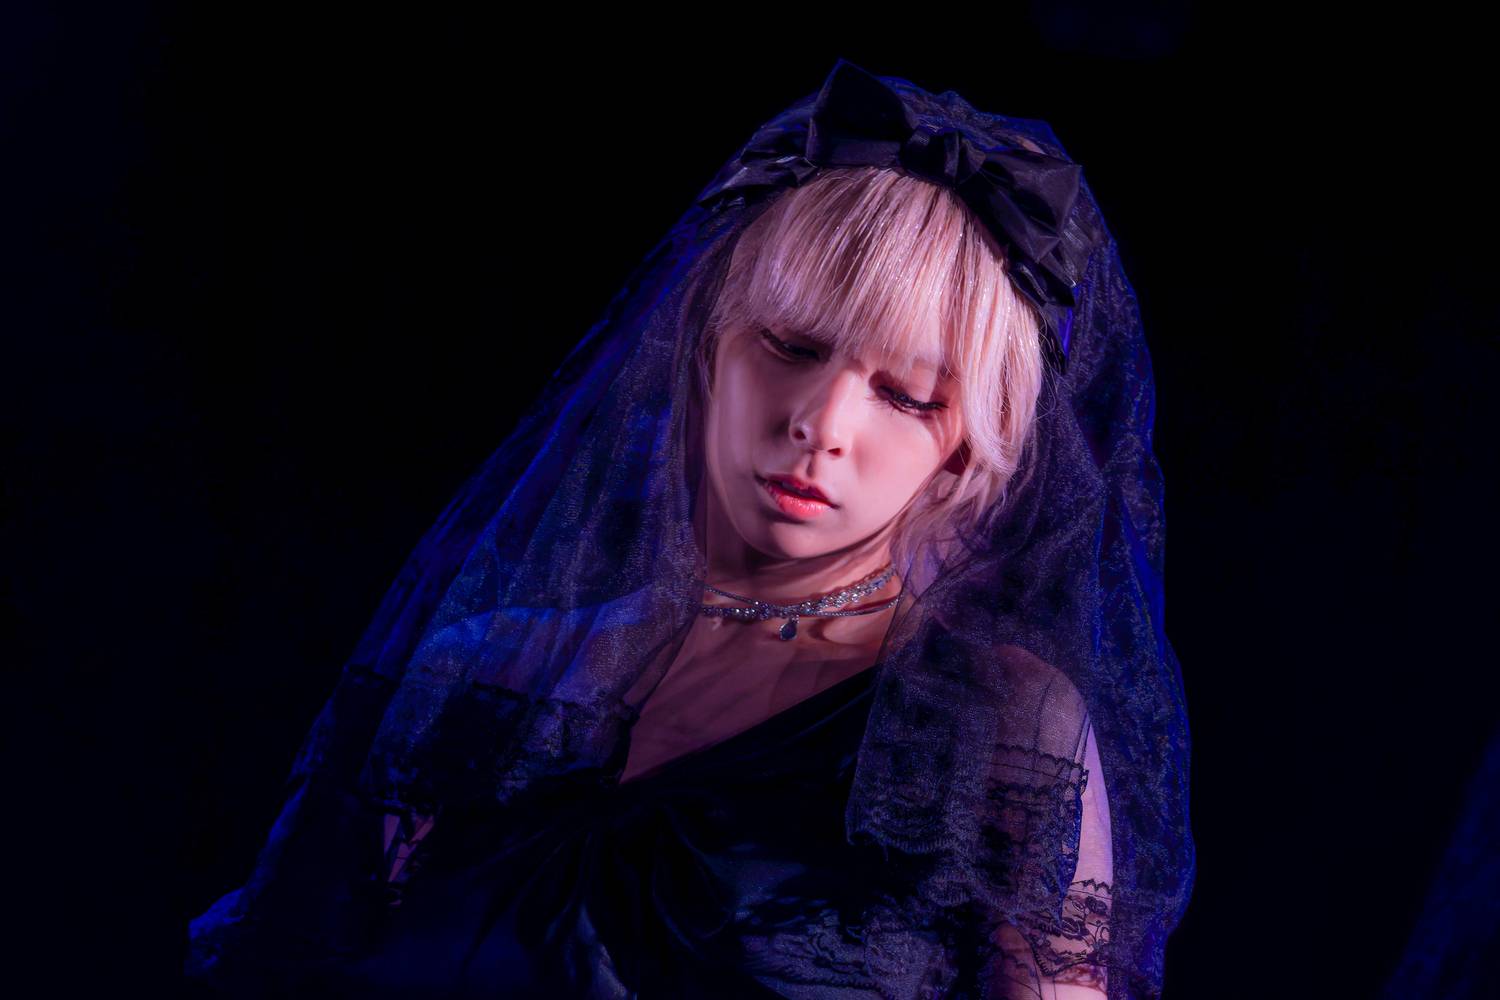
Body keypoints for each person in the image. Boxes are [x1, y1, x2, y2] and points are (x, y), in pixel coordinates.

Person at [185, 59, 1194, 999]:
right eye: (791, 346)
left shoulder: (991, 722)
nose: (823, 424)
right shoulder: (486, 675)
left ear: (972, 447)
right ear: (710, 345)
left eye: (907, 396)